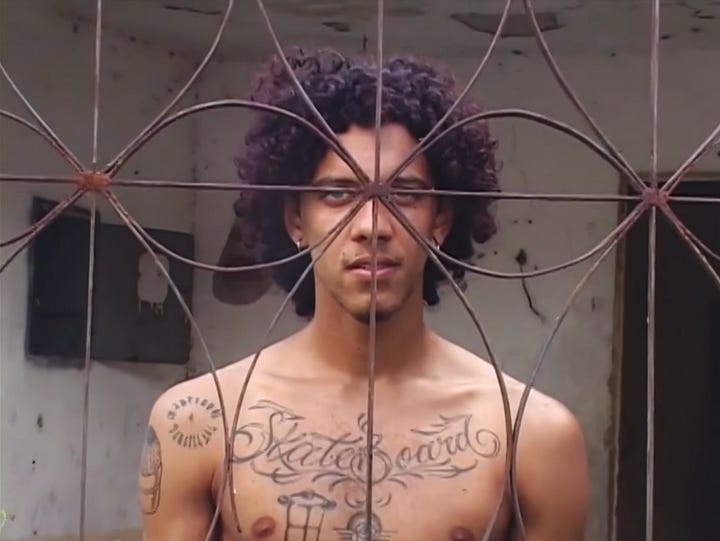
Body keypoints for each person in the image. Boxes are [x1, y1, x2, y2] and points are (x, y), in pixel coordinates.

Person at [137, 48, 589, 541]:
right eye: (337, 193)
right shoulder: (201, 422)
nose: (372, 226)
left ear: (440, 220)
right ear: (295, 220)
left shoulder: (531, 434)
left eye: (404, 193)